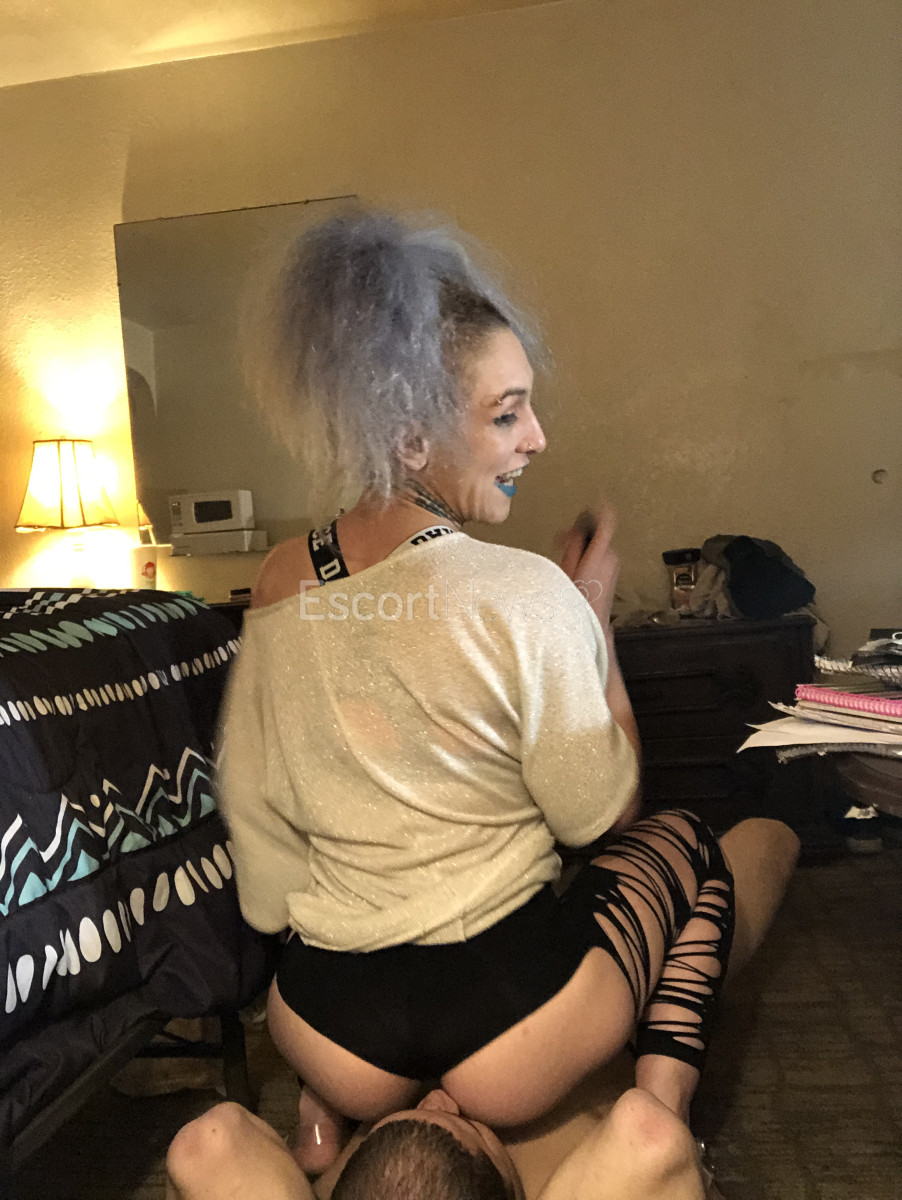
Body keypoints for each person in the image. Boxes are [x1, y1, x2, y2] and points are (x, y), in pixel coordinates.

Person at [216, 208, 792, 1174]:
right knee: (685, 838)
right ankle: (661, 1118)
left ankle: (322, 1116)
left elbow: (258, 809)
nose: (537, 438)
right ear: (409, 439)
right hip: (508, 1030)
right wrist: (589, 614)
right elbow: (598, 812)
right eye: (505, 414)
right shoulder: (522, 590)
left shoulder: (278, 579)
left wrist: (296, 938)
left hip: (325, 1021)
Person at [166, 820, 799, 1200]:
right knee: (757, 839)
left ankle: (323, 1121)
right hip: (593, 1021)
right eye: (466, 1130)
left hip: (422, 997)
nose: (441, 1101)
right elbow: (648, 1137)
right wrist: (669, 1115)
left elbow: (209, 1146)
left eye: (402, 1121)